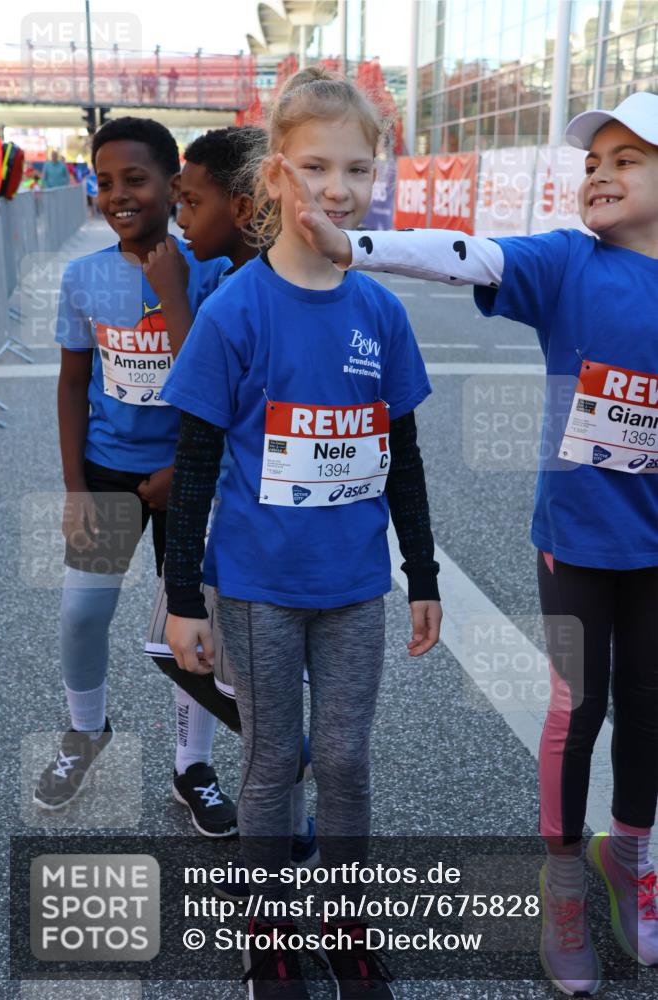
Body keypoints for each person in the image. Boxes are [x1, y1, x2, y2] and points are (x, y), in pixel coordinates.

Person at [280, 90, 658, 995]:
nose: (599, 174)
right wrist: (357, 246)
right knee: (580, 706)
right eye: (591, 162)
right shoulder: (569, 263)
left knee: (651, 707)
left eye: (627, 159)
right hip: (578, 543)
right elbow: (466, 254)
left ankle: (629, 859)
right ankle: (564, 880)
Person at [162, 68, 442, 999]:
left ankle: (346, 915)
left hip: (356, 586)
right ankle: (267, 928)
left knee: (351, 757)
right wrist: (179, 600)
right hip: (255, 589)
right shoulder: (236, 309)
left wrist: (426, 575)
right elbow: (195, 464)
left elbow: (400, 455)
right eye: (316, 166)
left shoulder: (381, 310)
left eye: (357, 168)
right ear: (277, 175)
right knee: (275, 756)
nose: (338, 187)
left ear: (377, 175)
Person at [33, 116, 237, 841]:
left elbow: (220, 387)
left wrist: (184, 468)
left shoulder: (211, 269)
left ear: (174, 184)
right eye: (106, 181)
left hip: (188, 475)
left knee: (194, 629)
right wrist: (75, 488)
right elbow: (70, 383)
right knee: (83, 614)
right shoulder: (84, 277)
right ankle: (86, 732)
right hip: (107, 474)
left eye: (137, 179)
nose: (119, 194)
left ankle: (193, 767)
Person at [144, 124, 318, 862]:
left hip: (251, 520)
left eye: (190, 201)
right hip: (224, 506)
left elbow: (212, 401)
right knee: (196, 649)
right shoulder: (223, 276)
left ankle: (289, 768)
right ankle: (252, 775)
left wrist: (171, 294)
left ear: (244, 208)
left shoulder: (243, 290)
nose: (179, 218)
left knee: (185, 650)